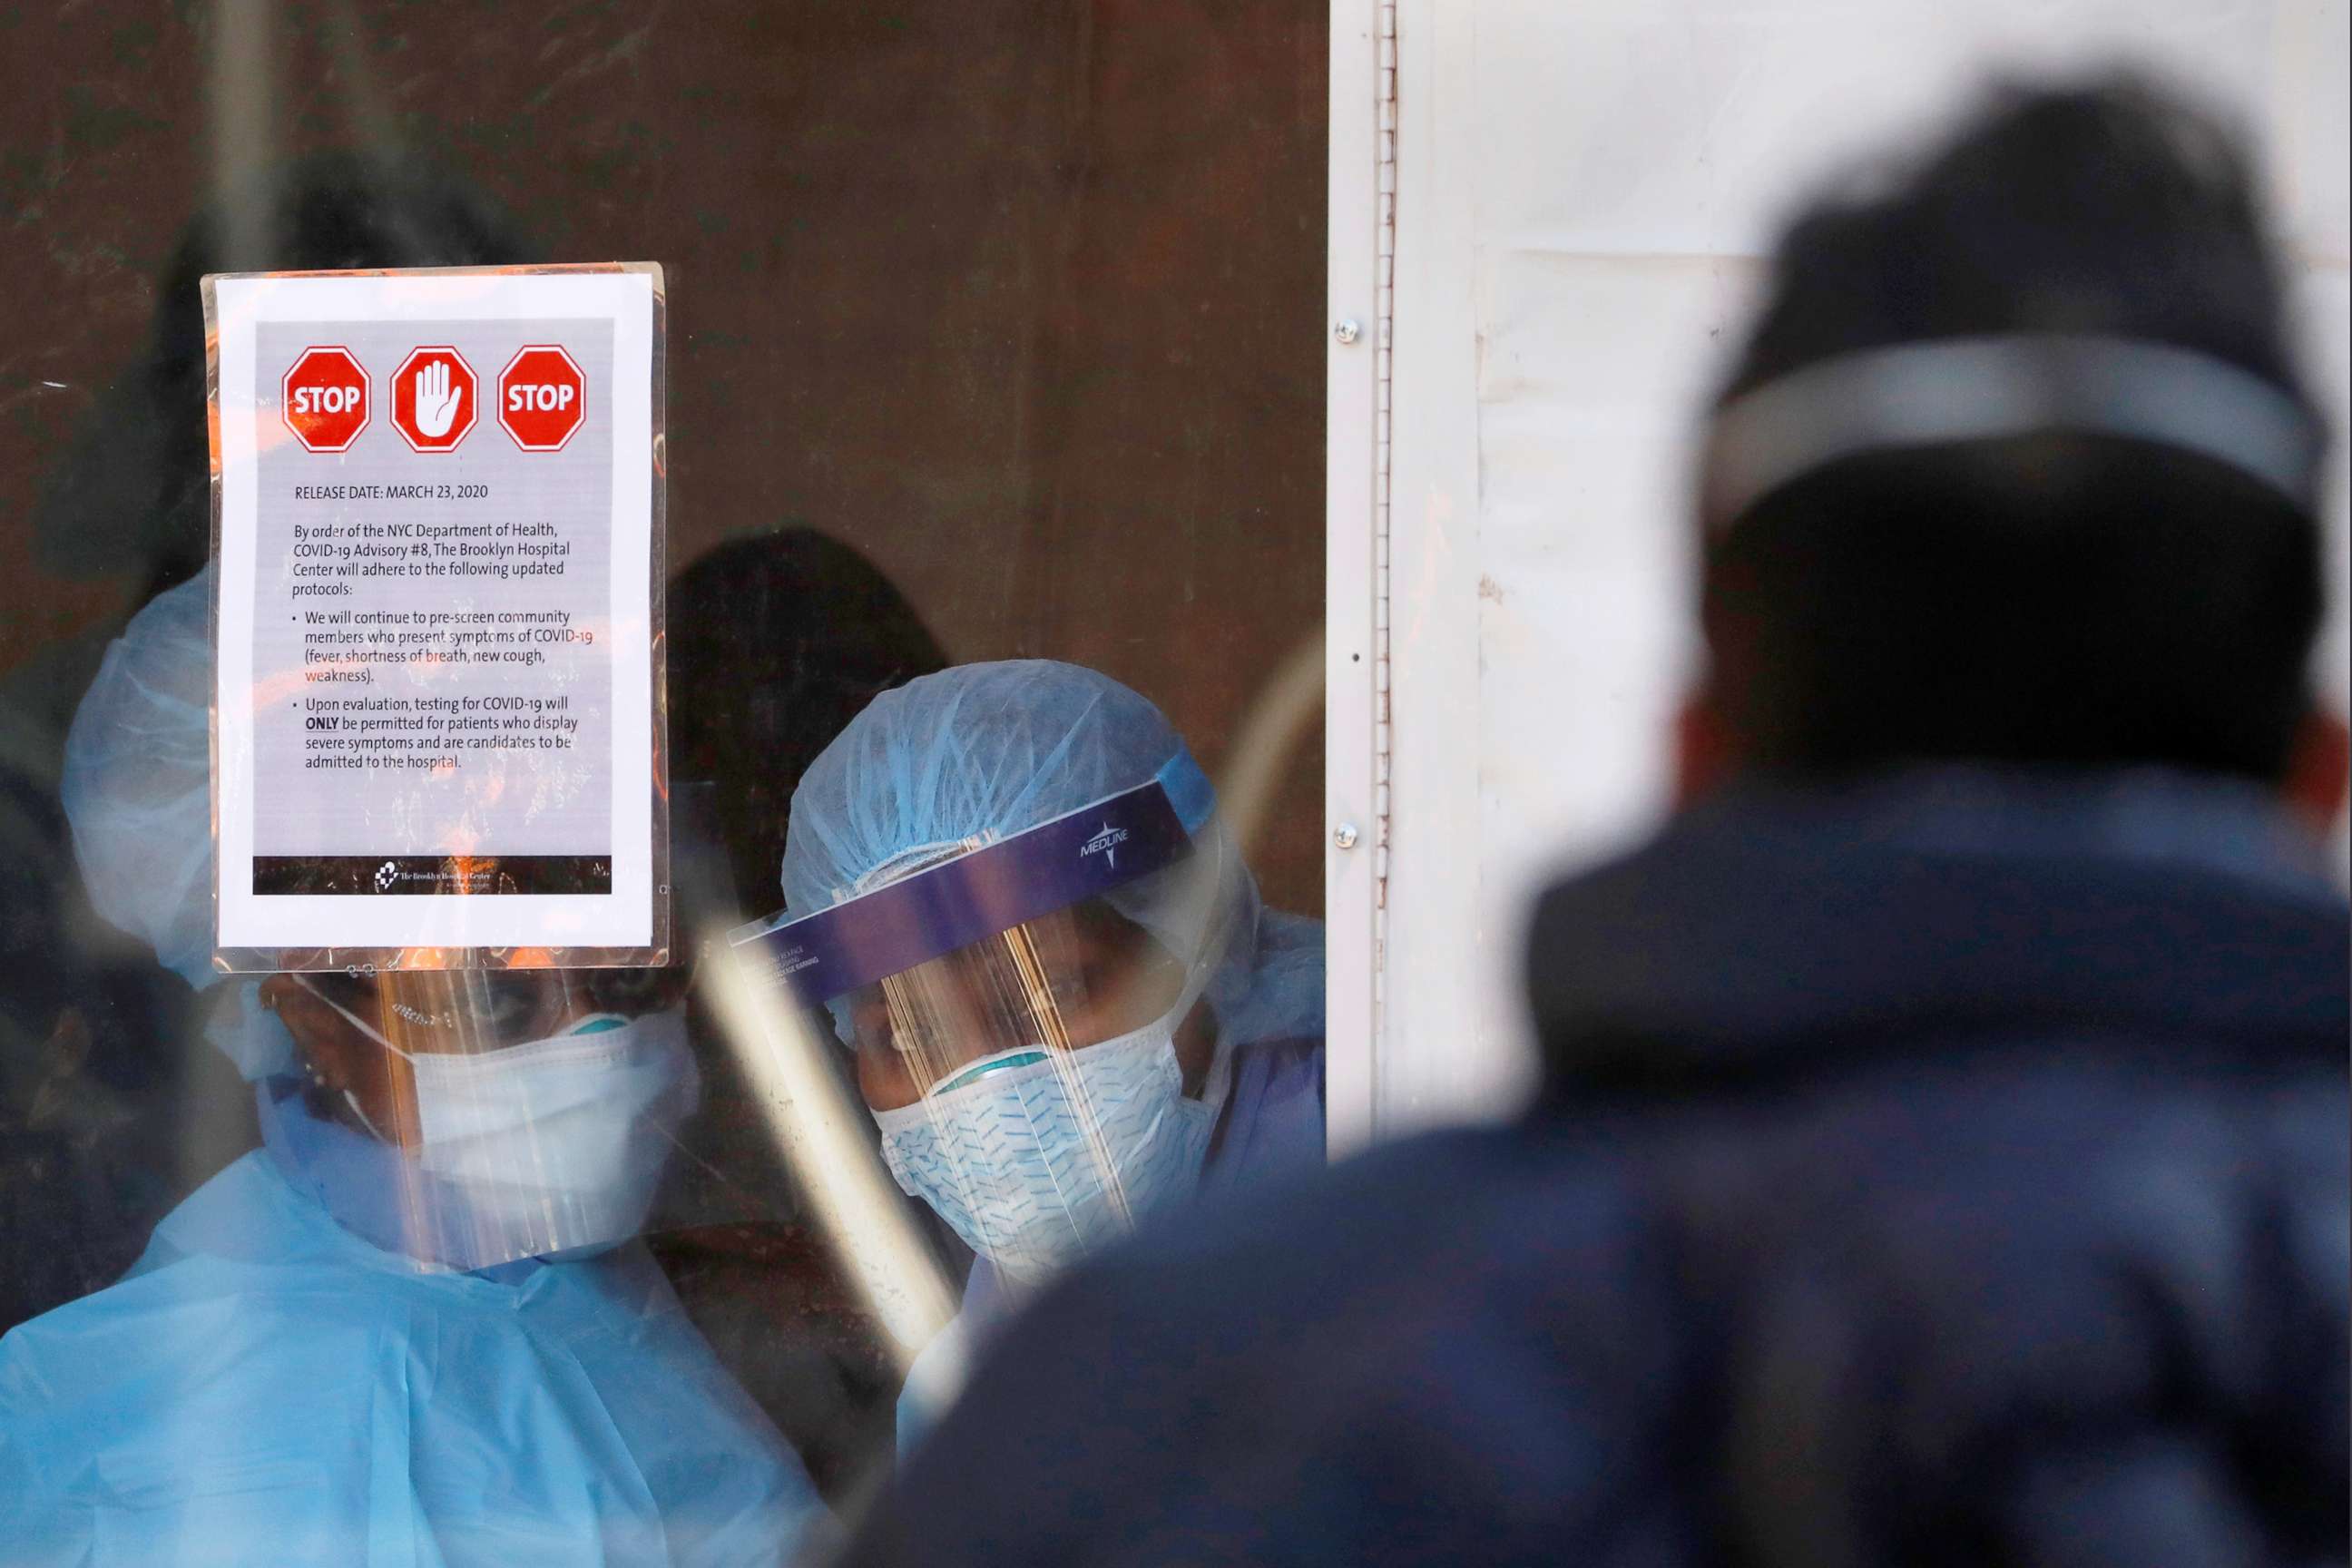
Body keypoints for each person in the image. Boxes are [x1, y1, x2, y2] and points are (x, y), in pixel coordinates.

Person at [832, 76, 2350, 1566]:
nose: (981, 1055)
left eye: (1044, 983)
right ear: (2321, 781)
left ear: (1690, 749)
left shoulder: (1179, 1400)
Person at [0, 569, 828, 1565]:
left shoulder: (566, 1283)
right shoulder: (223, 1437)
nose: (593, 1041)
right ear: (309, 1013)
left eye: (619, 973)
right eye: (491, 997)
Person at [750, 658, 1324, 1450]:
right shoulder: (969, 1395)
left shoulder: (1401, 1224)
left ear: (1198, 946)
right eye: (906, 1036)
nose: (984, 1082)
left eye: (1049, 994)